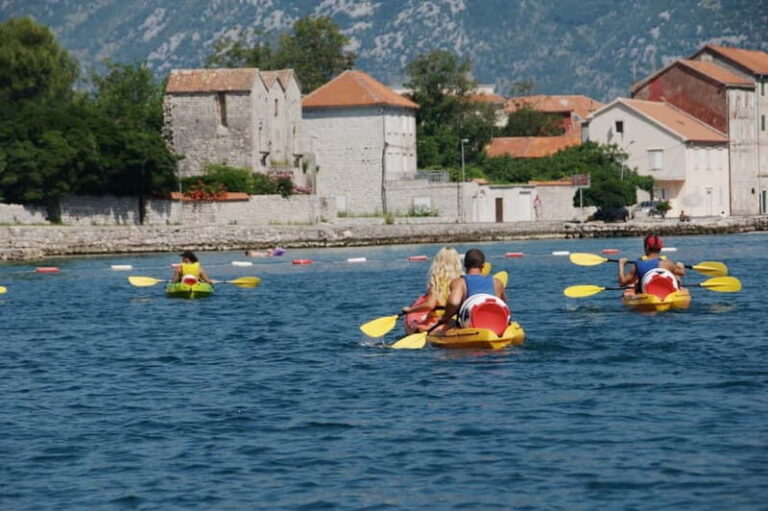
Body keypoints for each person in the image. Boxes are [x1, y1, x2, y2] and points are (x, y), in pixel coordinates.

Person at [436, 248, 509, 333]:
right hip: (495, 325)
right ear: (483, 265)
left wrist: (444, 318)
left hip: (470, 325)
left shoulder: (459, 282)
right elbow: (502, 304)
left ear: (465, 265)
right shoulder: (497, 283)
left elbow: (454, 303)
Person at [401, 247, 462, 333]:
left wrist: (410, 310)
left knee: (420, 328)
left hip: (438, 321)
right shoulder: (461, 280)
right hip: (456, 320)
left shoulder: (436, 280)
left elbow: (430, 304)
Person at [618, 235, 684, 292]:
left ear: (647, 247)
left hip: (646, 294)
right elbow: (682, 272)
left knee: (634, 282)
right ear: (660, 247)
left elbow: (622, 283)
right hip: (665, 294)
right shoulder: (668, 263)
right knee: (677, 277)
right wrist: (680, 265)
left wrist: (621, 265)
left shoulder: (639, 263)